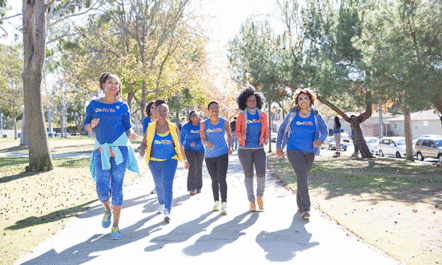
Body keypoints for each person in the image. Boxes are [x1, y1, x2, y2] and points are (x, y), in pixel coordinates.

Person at [84, 72, 140, 240]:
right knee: (101, 188)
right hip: (101, 149)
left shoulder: (122, 106)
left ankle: (115, 226)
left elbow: (127, 125)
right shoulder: (94, 105)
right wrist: (90, 125)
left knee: (117, 186)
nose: (114, 85)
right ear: (103, 85)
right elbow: (86, 125)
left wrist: (131, 133)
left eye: (116, 83)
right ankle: (107, 209)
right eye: (110, 82)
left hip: (120, 149)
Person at [276, 88, 327, 219]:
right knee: (302, 176)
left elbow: (325, 130)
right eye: (300, 99)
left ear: (310, 100)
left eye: (305, 98)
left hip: (309, 152)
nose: (303, 101)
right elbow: (282, 130)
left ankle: (300, 205)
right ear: (297, 102)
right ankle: (306, 208)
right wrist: (278, 147)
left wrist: (320, 140)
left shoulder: (315, 115)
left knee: (302, 178)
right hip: (293, 149)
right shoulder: (292, 115)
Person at [140, 99, 189, 222]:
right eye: (159, 111)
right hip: (154, 161)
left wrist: (185, 159)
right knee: (158, 184)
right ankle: (161, 203)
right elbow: (144, 142)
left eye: (165, 111)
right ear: (155, 112)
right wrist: (142, 149)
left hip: (170, 159)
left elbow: (178, 144)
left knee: (167, 184)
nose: (162, 113)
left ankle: (167, 210)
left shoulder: (173, 127)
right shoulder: (151, 127)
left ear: (168, 113)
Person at [235, 86, 269, 212]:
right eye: (249, 100)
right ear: (245, 102)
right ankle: (251, 201)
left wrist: (266, 138)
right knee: (248, 176)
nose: (252, 103)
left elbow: (266, 130)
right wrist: (240, 136)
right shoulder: (241, 116)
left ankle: (260, 196)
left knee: (261, 175)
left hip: (259, 148)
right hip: (244, 149)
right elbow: (237, 132)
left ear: (257, 102)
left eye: (254, 100)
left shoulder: (263, 115)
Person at [200, 101, 233, 214]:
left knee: (222, 178)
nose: (214, 109)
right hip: (209, 155)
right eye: (212, 108)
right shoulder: (204, 124)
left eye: (217, 108)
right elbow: (202, 139)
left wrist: (230, 147)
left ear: (219, 110)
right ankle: (216, 202)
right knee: (214, 179)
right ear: (208, 110)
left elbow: (229, 135)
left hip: (222, 153)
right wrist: (207, 143)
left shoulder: (224, 122)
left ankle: (224, 203)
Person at [180, 111, 205, 195]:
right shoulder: (186, 126)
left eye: (196, 115)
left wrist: (197, 143)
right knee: (192, 166)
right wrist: (180, 147)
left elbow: (205, 138)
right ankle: (191, 188)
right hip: (189, 148)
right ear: (190, 118)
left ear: (198, 117)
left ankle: (199, 187)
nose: (194, 117)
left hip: (200, 149)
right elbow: (182, 138)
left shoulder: (202, 126)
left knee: (199, 167)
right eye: (192, 115)